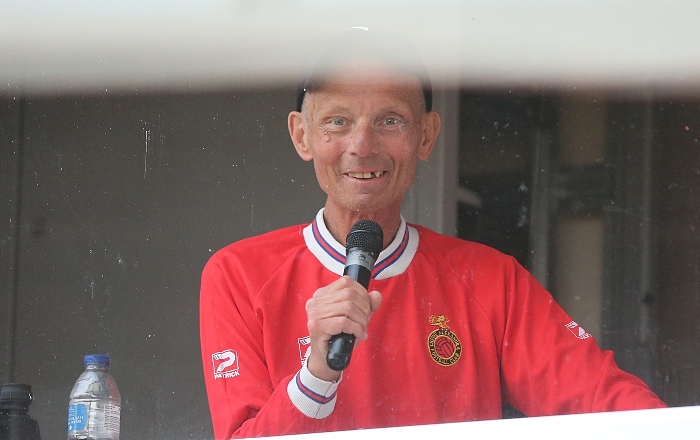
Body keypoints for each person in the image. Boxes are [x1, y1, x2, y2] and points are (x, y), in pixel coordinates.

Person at [199, 27, 666, 439]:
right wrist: (316, 373)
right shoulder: (240, 274)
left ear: (426, 137)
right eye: (337, 121)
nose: (362, 146)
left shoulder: (488, 279)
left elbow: (603, 399)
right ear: (302, 136)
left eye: (390, 121)